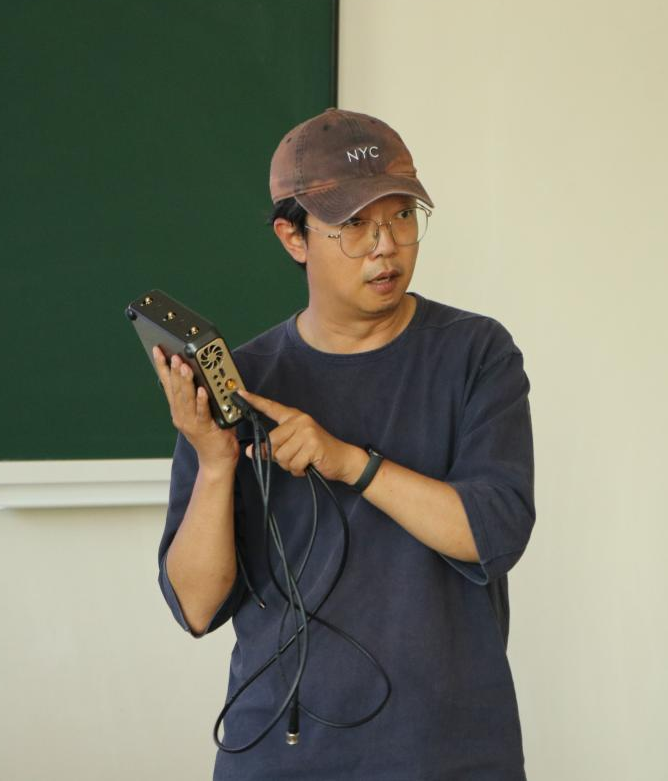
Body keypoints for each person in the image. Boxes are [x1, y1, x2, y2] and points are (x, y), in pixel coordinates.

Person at [153, 108, 535, 780]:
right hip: (280, 751)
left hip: (447, 755)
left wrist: (348, 461)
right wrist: (215, 464)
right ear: (293, 237)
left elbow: (493, 533)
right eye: (354, 225)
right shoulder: (243, 383)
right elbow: (196, 605)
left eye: (401, 216)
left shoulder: (476, 353)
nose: (385, 247)